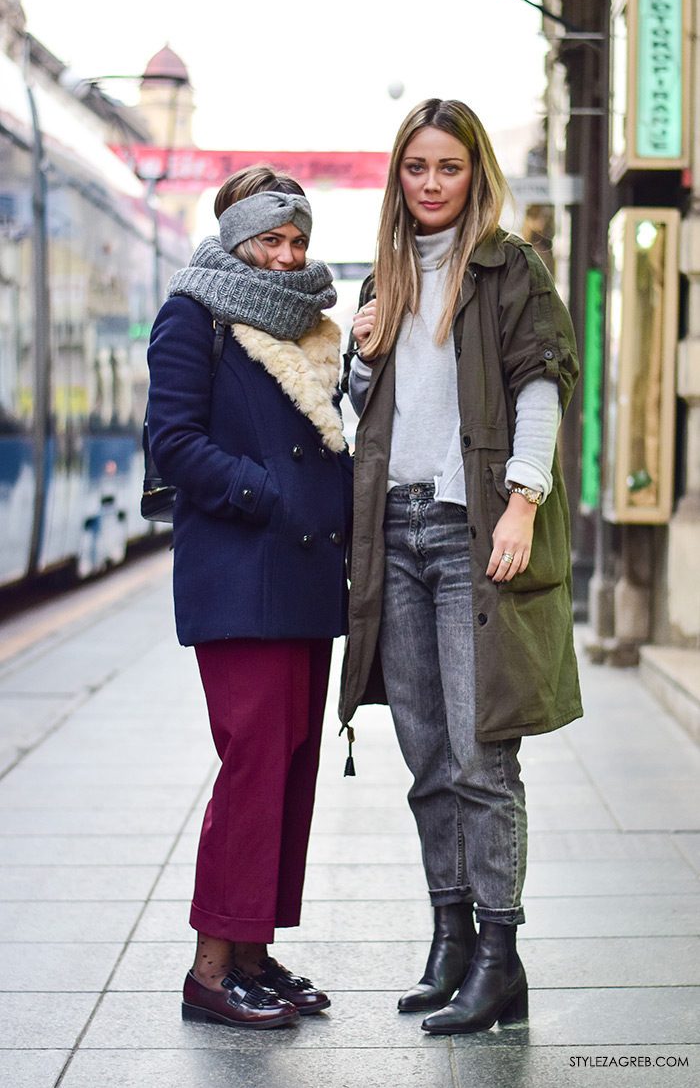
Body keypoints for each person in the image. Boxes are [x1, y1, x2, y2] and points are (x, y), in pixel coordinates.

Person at [340, 100, 582, 1035]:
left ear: (475, 173)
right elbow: (376, 417)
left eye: (448, 167)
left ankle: (498, 953)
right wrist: (363, 361)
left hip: (469, 531)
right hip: (391, 534)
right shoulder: (387, 275)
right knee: (426, 754)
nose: (431, 183)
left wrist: (522, 501)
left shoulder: (508, 266)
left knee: (484, 756)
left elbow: (542, 383)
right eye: (416, 167)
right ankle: (447, 937)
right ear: (398, 177)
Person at [147, 165, 352, 1030]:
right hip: (240, 570)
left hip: (304, 576)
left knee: (293, 758)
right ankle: (210, 968)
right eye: (271, 240)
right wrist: (262, 492)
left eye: (298, 240)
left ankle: (255, 954)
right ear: (236, 241)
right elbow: (174, 442)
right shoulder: (192, 316)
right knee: (254, 759)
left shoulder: (315, 329)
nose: (287, 256)